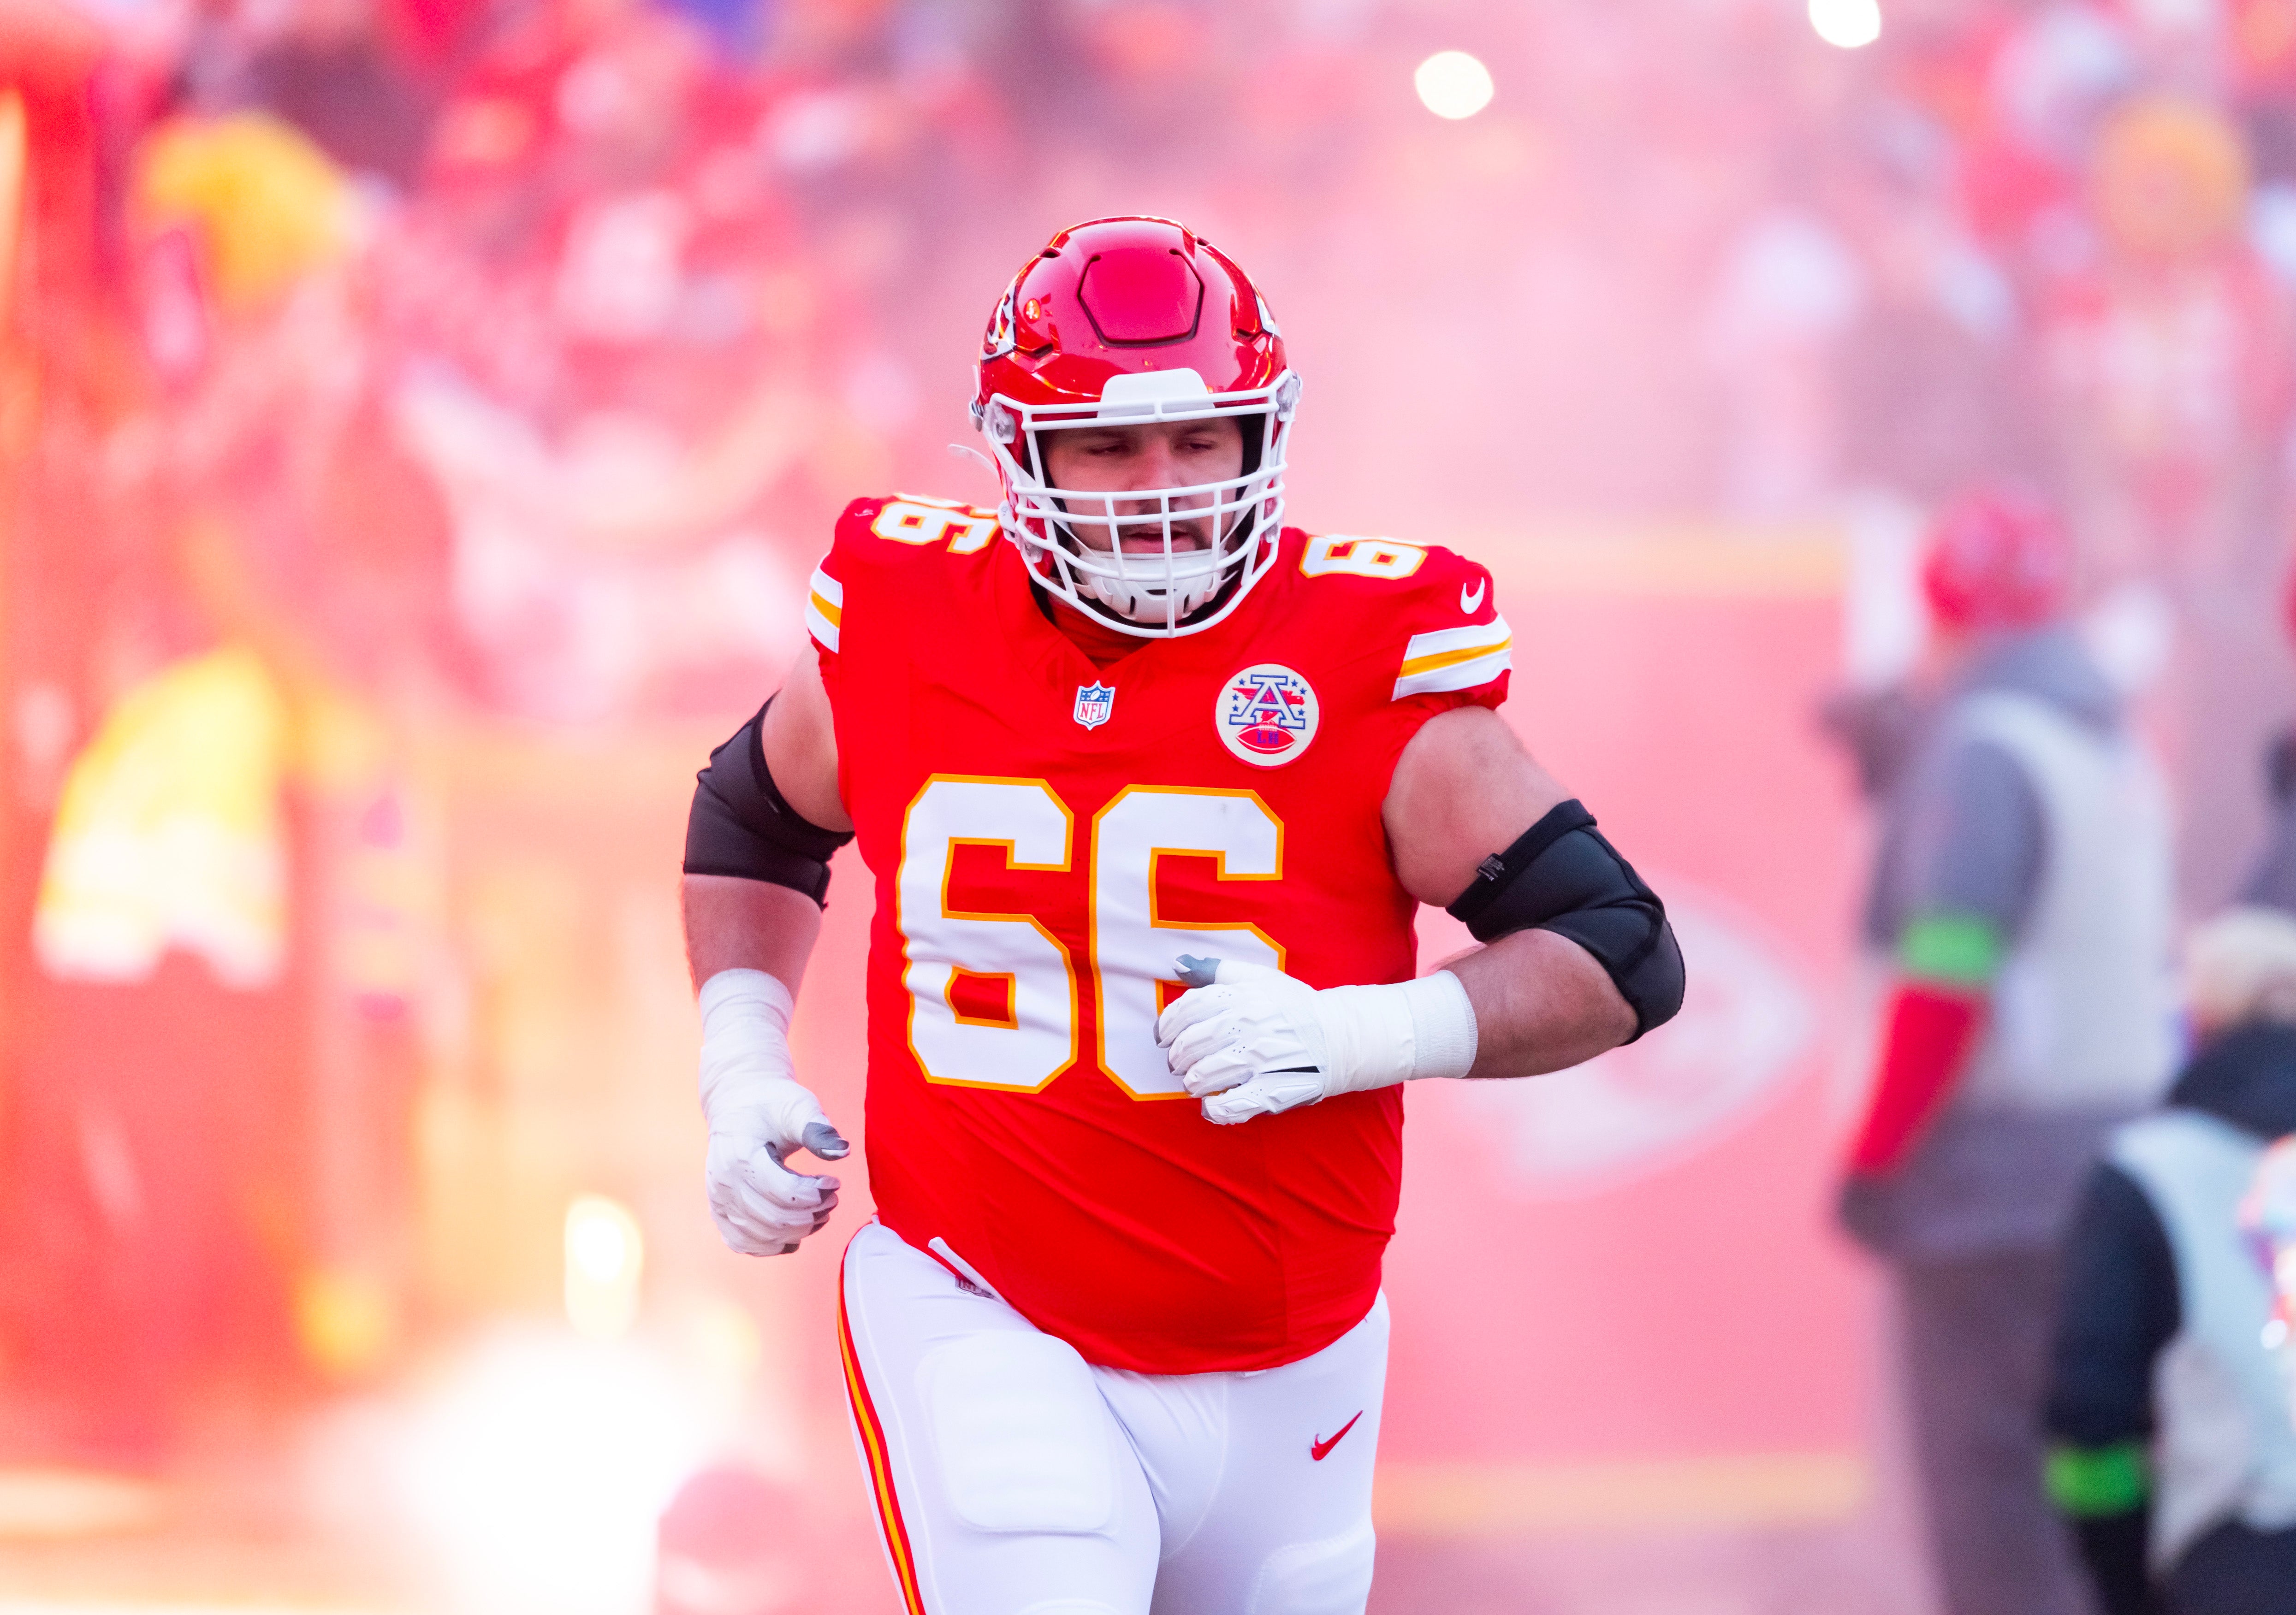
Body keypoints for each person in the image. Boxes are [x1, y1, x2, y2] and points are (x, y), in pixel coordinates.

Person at [676, 216, 1684, 1614]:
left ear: (1259, 435)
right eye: (1105, 448)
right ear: (1015, 452)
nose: (1160, 489)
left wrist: (1365, 1034)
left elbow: (1623, 950)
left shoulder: (1364, 652)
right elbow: (752, 816)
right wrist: (738, 1064)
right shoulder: (910, 616)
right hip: (986, 1304)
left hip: (1298, 1358)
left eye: (1199, 442)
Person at [1830, 487, 2180, 1615]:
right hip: (2114, 1172)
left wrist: (1878, 1157)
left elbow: (1947, 980)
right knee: (2089, 1502)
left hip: (1990, 1193)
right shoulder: (2110, 742)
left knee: (1988, 1523)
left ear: (1942, 619)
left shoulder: (1982, 753)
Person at [2047, 906, 2296, 1615]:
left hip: (2243, 1558)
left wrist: (2123, 1583)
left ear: (2195, 1025)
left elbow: (2090, 1422)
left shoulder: (2146, 1176)